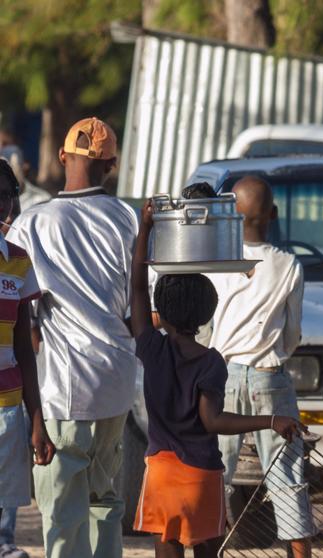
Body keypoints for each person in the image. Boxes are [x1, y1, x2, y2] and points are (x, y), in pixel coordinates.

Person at [130, 200, 304, 557]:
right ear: (209, 312)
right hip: (201, 476)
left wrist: (146, 228)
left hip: (160, 473)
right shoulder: (210, 361)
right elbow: (212, 420)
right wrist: (271, 420)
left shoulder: (151, 347)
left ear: (159, 311)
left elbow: (135, 289)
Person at [6, 117, 139, 558]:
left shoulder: (33, 225)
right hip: (117, 385)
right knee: (105, 502)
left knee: (63, 515)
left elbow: (26, 321)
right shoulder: (128, 218)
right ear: (112, 165)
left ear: (63, 157)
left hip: (65, 393)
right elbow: (140, 300)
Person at [208, 176, 312, 557]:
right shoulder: (288, 265)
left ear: (233, 214)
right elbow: (293, 333)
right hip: (270, 378)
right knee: (286, 473)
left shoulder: (216, 260)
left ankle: (209, 549)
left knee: (216, 473)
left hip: (223, 377)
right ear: (274, 213)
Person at [0, 160, 55, 558]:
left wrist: (36, 421)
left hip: (7, 413)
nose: (1, 202)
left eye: (6, 194)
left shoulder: (18, 261)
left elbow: (24, 346)